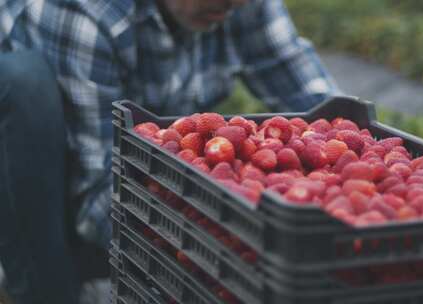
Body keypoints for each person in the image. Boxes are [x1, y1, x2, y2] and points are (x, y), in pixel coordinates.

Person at [0, 0, 340, 302]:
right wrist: (206, 261)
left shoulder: (241, 3)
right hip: (55, 176)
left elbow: (309, 95)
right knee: (22, 85)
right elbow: (97, 191)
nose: (237, 5)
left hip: (139, 173)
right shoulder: (85, 10)